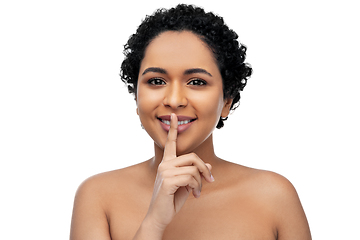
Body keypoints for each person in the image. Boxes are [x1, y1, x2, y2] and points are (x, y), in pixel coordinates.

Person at [70, 4, 311, 240]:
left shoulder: (274, 197)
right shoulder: (98, 197)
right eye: (156, 81)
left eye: (196, 82)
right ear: (136, 95)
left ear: (227, 100)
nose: (174, 100)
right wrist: (154, 222)